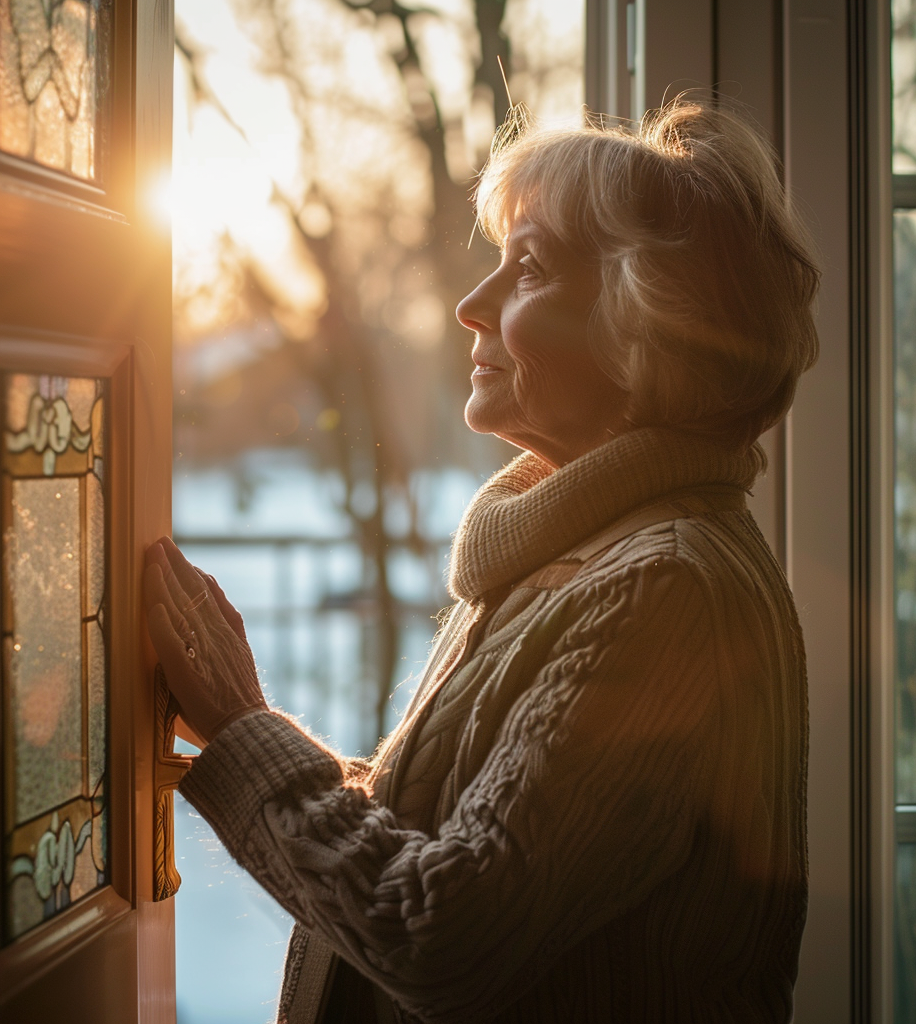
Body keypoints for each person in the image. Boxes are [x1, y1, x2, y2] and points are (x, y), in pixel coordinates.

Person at [143, 98, 819, 1024]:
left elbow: (439, 931)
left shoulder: (663, 587)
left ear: (648, 323)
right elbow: (450, 838)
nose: (471, 305)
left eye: (529, 268)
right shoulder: (577, 547)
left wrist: (243, 732)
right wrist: (246, 729)